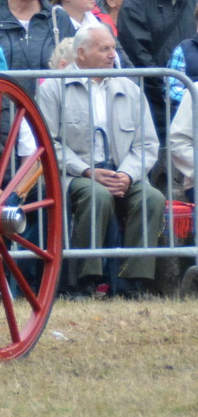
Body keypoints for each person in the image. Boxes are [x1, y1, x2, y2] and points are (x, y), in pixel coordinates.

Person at [37, 25, 164, 299]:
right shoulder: (53, 88)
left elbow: (148, 144)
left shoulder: (129, 87)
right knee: (96, 196)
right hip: (74, 175)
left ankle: (134, 282)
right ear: (81, 53)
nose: (112, 54)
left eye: (113, 48)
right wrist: (86, 171)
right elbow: (48, 143)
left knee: (151, 198)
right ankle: (87, 280)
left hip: (121, 173)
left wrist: (127, 175)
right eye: (104, 49)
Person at [116, 0, 198, 136]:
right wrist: (170, 91)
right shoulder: (135, 2)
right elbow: (138, 55)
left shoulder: (195, 0)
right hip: (152, 105)